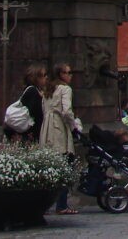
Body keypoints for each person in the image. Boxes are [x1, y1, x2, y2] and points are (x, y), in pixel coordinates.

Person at [41, 62, 80, 215]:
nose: (70, 75)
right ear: (60, 74)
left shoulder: (47, 89)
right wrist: (74, 127)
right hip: (59, 129)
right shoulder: (65, 89)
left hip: (47, 128)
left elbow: (44, 109)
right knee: (64, 166)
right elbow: (67, 111)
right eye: (68, 72)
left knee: (49, 166)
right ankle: (62, 204)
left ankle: (44, 204)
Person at [4, 64, 46, 143]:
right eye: (43, 75)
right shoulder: (32, 91)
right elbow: (35, 113)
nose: (46, 78)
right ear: (36, 78)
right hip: (30, 135)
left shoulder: (35, 91)